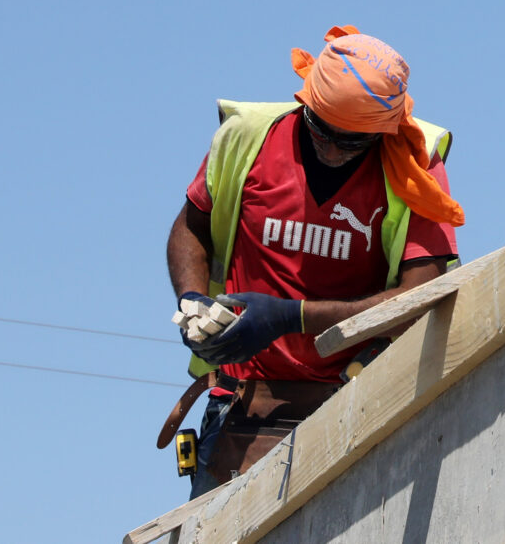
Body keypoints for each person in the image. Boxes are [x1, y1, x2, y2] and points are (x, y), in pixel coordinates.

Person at [163, 26, 464, 497]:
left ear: (383, 132)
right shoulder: (249, 138)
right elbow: (191, 225)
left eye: (351, 144)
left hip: (354, 398)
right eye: (320, 130)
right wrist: (192, 300)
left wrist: (290, 317)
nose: (330, 149)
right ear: (304, 102)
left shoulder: (414, 163)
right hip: (241, 406)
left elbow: (419, 295)